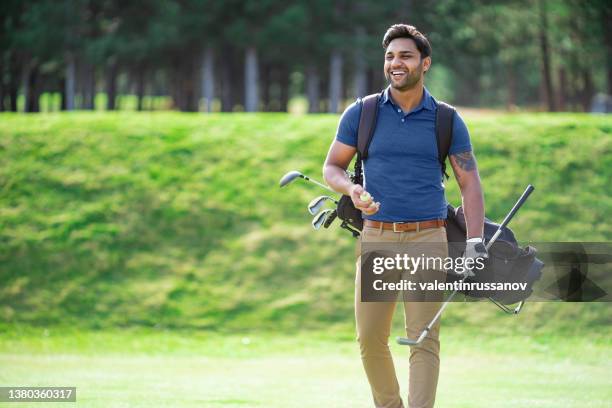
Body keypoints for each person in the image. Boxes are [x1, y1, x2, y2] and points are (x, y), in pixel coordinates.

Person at [322, 24, 487, 408]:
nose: (396, 63)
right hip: (377, 237)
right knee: (370, 339)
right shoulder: (362, 113)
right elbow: (332, 167)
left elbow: (470, 184)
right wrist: (353, 190)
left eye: (406, 56)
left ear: (424, 63)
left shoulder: (446, 119)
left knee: (424, 338)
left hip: (429, 239)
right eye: (390, 56)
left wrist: (475, 244)